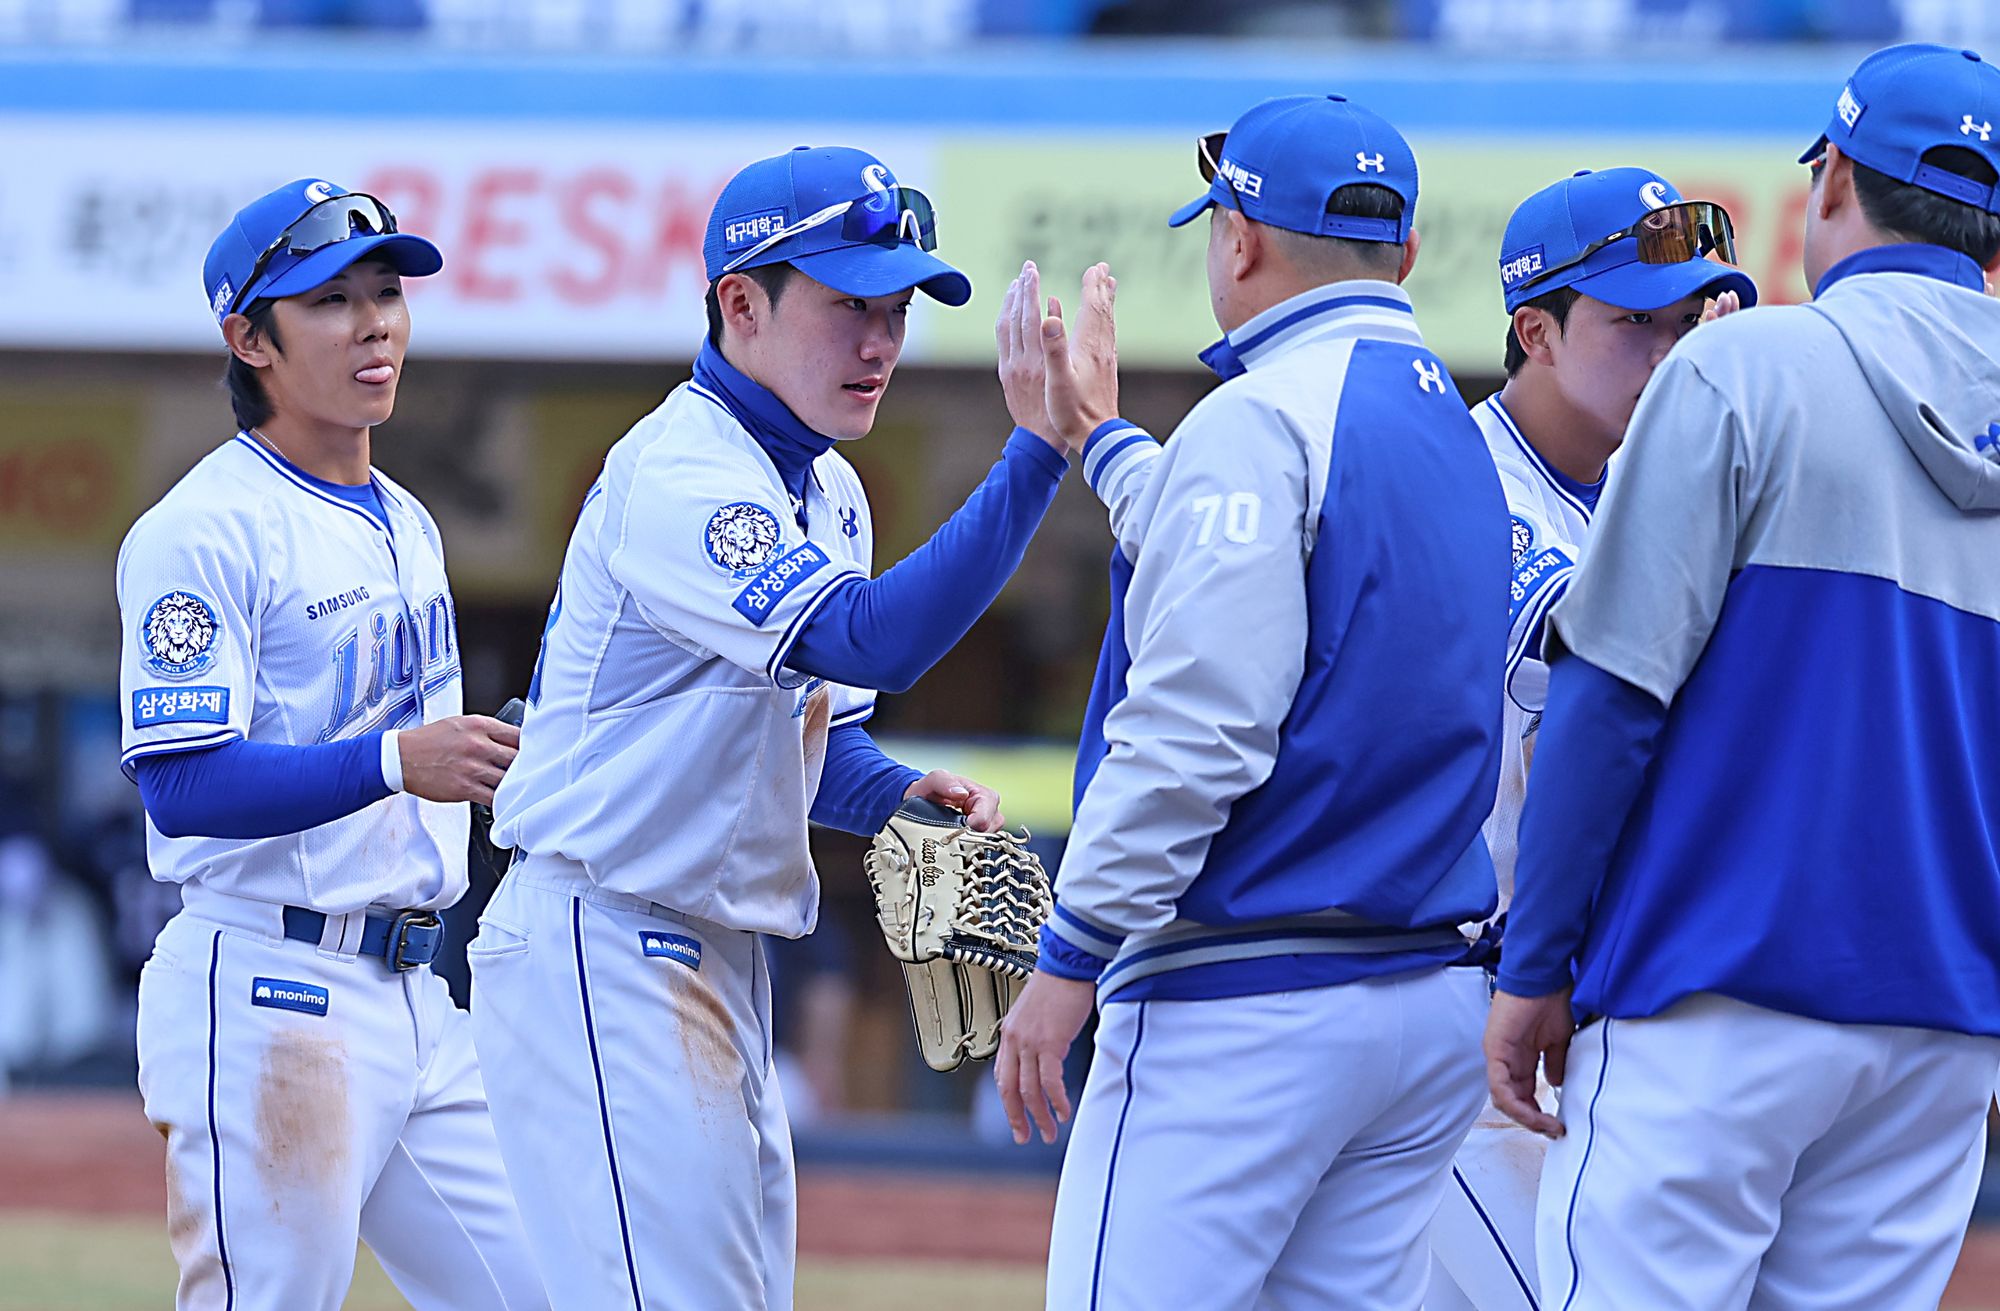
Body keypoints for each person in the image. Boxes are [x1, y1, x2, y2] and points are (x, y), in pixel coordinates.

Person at [470, 145, 1076, 1309]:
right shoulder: (682, 471)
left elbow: (814, 738)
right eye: (850, 304)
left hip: (714, 955)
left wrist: (896, 792)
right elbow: (867, 641)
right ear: (740, 303)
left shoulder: (826, 487)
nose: (881, 342)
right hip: (605, 941)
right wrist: (1036, 455)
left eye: (895, 310)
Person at [1486, 42, 2000, 1311]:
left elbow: (1606, 700)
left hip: (1708, 993)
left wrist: (1534, 967)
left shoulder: (1739, 366)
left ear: (1828, 184)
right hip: (1939, 1025)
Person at [996, 93, 1511, 1309]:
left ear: (1235, 241)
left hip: (1247, 1001)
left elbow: (1198, 729)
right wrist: (1105, 443)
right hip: (1419, 997)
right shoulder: (1461, 432)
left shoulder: (1258, 419)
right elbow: (1267, 564)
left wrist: (1070, 954)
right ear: (1406, 251)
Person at [117, 179, 544, 1310]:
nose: (373, 325)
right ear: (249, 337)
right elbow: (178, 782)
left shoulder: (406, 518)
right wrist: (396, 762)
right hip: (270, 984)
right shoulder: (202, 529)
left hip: (416, 993)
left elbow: (428, 756)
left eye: (386, 294)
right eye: (329, 301)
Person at [1428, 166, 1755, 1311]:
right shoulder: (1462, 485)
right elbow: (1604, 680)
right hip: (1453, 1015)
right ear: (1537, 332)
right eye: (1631, 323)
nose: (1669, 353)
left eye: (1685, 324)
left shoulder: (1641, 485)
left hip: (1556, 1004)